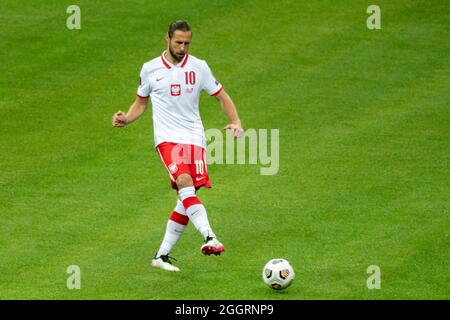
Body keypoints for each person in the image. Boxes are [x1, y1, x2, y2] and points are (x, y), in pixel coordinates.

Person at [112, 20, 243, 272]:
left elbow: (221, 96)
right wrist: (126, 119)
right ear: (167, 39)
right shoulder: (150, 69)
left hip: (195, 138)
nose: (183, 48)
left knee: (186, 199)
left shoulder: (199, 67)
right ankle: (209, 237)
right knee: (183, 181)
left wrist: (235, 120)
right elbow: (140, 102)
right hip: (167, 139)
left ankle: (161, 256)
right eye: (178, 42)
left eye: (187, 43)